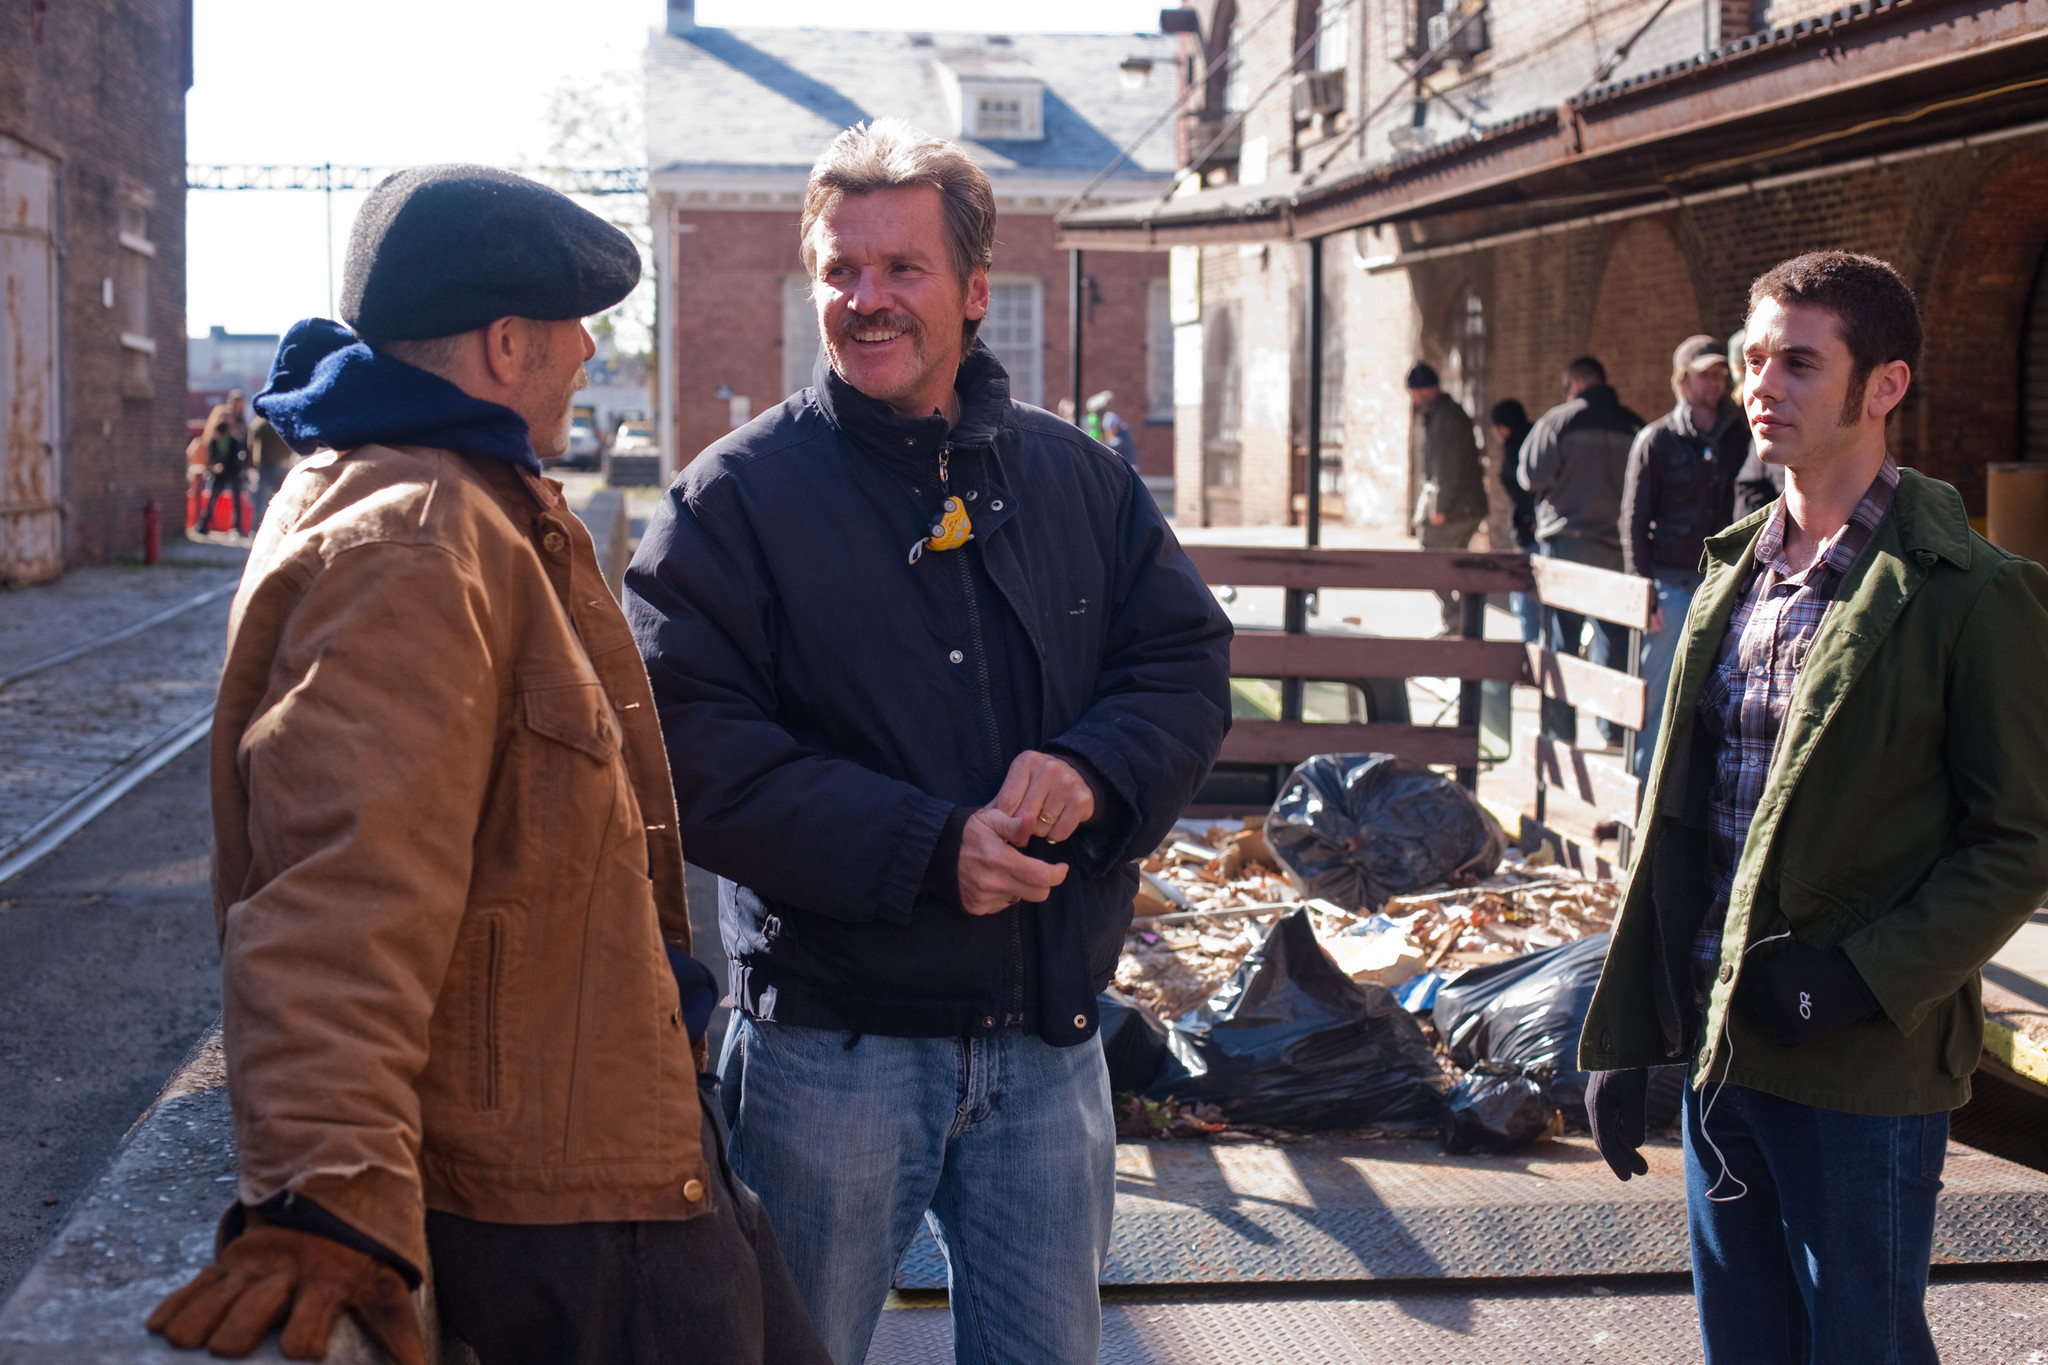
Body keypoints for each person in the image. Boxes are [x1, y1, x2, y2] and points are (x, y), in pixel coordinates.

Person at [146, 166, 828, 1365]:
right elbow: (339, 884)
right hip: (560, 1216)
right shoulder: (415, 536)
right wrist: (325, 1192)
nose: (582, 351)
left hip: (619, 1152)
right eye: (568, 327)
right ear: (506, 344)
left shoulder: (448, 498)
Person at [624, 119, 1233, 1365]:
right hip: (828, 1053)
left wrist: (1094, 768)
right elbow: (688, 747)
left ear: (970, 288)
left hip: (1049, 1046)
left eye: (900, 269)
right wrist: (922, 848)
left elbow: (1178, 664)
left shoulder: (1080, 481)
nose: (866, 300)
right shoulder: (731, 502)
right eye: (840, 270)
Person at [1580, 252, 2048, 1364]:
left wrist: (1860, 977)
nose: (1761, 386)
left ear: (1880, 386)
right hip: (1717, 1042)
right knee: (1742, 1346)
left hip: (1860, 1067)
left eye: (1798, 362)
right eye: (1751, 359)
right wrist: (1625, 1023)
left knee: (1858, 1348)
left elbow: (2018, 841)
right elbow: (1681, 824)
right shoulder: (1733, 574)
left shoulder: (1968, 593)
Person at [1618, 336, 1748, 775]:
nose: (1713, 382)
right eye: (1703, 374)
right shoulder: (1656, 439)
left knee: (1717, 696)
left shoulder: (1741, 435)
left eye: (1719, 374)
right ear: (1681, 380)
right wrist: (1643, 590)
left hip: (1724, 582)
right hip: (1671, 583)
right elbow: (1634, 519)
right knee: (1657, 696)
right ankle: (1641, 797)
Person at [1518, 356, 1644, 744]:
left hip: (1567, 541)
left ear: (1573, 381)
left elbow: (1531, 476)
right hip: (1617, 546)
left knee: (1561, 637)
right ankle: (1614, 730)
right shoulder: (1634, 426)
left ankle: (1560, 732)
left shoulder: (1558, 421)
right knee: (1614, 638)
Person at [1407, 362, 1489, 633]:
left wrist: (1439, 507)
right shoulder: (1441, 414)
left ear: (1427, 390)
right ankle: (1461, 620)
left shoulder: (1446, 417)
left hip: (1457, 507)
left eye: (1416, 393)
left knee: (1432, 559)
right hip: (1464, 505)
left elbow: (1447, 465)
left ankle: (1457, 618)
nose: (1414, 399)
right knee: (1452, 563)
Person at [1489, 397, 1541, 644]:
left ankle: (1529, 652)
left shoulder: (1516, 449)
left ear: (1503, 426)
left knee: (1526, 591)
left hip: (1531, 529)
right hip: (1535, 525)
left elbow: (1526, 488)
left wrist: (1532, 519)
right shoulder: (1536, 437)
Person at [192, 391, 250, 535]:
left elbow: (244, 441)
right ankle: (203, 525)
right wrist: (213, 465)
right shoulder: (220, 422)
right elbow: (211, 443)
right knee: (213, 496)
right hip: (219, 468)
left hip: (234, 467)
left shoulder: (239, 424)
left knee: (237, 498)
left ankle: (237, 528)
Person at [246, 408, 296, 528]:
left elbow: (251, 443)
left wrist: (252, 460)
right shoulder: (282, 422)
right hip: (280, 465)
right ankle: (281, 527)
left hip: (264, 465)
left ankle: (257, 528)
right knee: (283, 498)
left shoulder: (259, 423)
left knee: (261, 499)